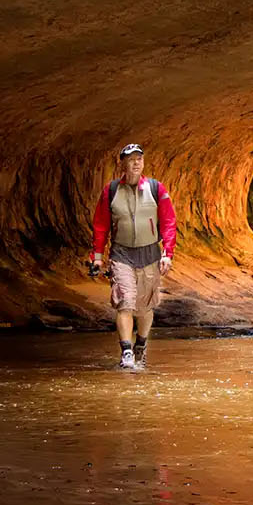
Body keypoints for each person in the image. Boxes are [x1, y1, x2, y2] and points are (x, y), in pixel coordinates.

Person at [89, 143, 176, 370]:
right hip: (121, 253)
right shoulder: (111, 190)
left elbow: (168, 223)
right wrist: (97, 256)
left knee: (145, 307)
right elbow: (101, 225)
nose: (136, 162)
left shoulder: (156, 188)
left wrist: (168, 253)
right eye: (131, 159)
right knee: (125, 302)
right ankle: (126, 352)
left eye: (139, 158)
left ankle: (141, 346)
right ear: (123, 164)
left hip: (150, 254)